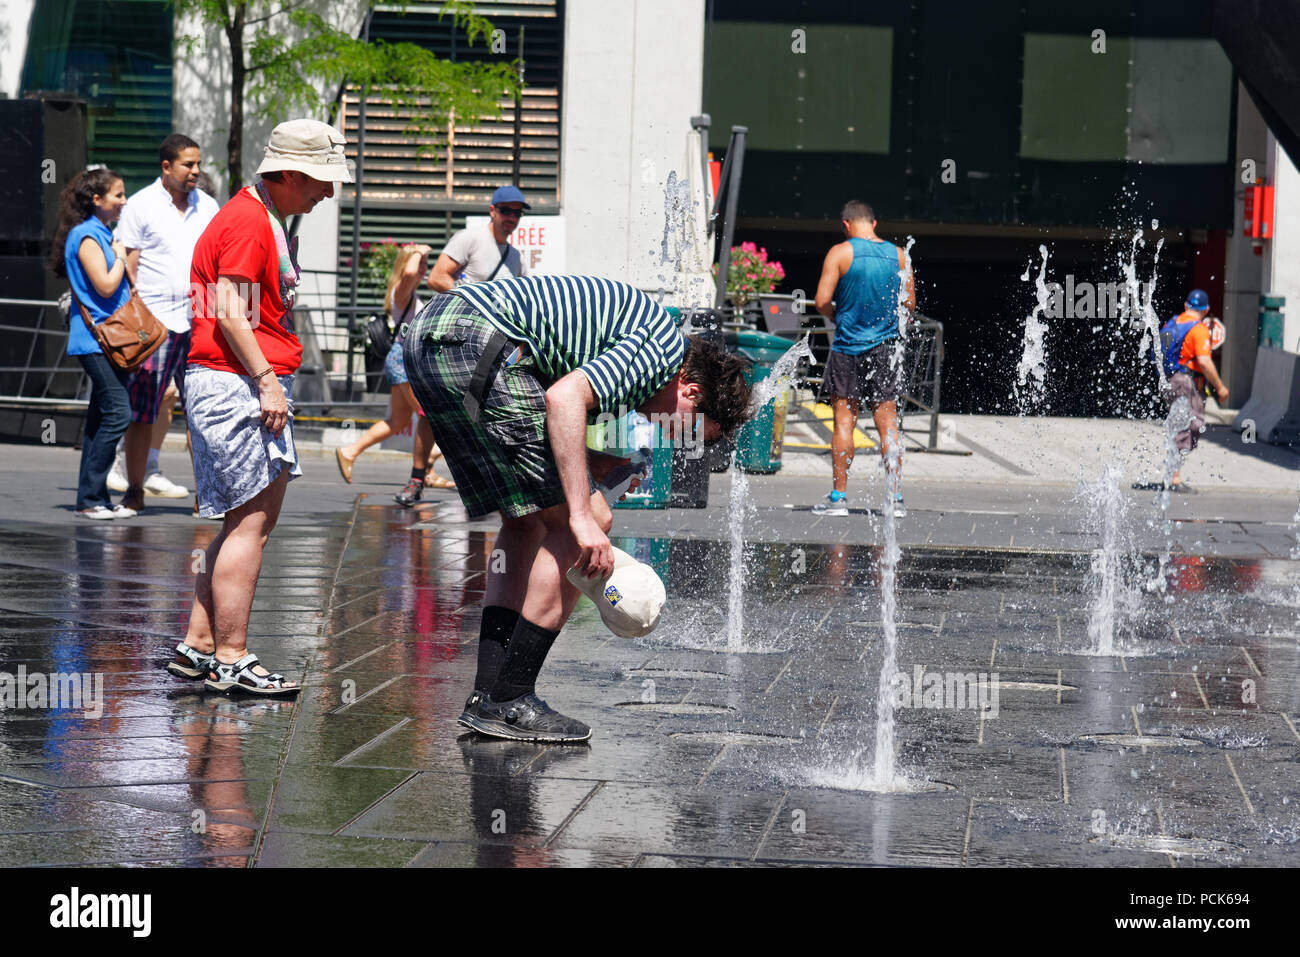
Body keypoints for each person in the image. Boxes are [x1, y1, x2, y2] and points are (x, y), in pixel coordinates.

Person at [405, 275, 753, 742]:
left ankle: (488, 696)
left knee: (525, 519)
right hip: (475, 340)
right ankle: (511, 698)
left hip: (433, 337)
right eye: (690, 428)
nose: (677, 438)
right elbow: (562, 398)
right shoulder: (664, 350)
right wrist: (583, 515)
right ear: (690, 390)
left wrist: (597, 469)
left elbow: (553, 413)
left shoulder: (644, 349)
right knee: (588, 521)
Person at [167, 119, 352, 696]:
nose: (327, 193)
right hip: (236, 382)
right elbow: (228, 308)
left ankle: (201, 646)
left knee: (238, 522)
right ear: (291, 174)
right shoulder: (249, 221)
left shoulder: (251, 214)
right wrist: (268, 381)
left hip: (225, 379)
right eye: (322, 181)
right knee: (251, 525)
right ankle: (231, 656)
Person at [106, 134, 219, 513]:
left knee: (203, 413)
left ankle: (207, 496)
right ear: (166, 167)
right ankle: (134, 492)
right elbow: (130, 265)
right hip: (155, 324)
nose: (196, 171)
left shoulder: (209, 206)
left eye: (198, 164)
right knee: (143, 411)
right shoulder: (140, 205)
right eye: (189, 165)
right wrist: (137, 315)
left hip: (200, 320)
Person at [812, 199, 915, 517]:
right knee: (888, 425)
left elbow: (821, 301)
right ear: (874, 223)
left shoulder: (840, 253)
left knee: (844, 423)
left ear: (846, 225)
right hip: (884, 350)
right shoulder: (899, 254)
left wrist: (839, 317)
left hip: (846, 349)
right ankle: (894, 500)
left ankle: (838, 498)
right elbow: (909, 304)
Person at [334, 243, 456, 501]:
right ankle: (426, 469)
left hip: (403, 360)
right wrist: (418, 251)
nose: (424, 268)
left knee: (398, 422)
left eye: (425, 263)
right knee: (429, 415)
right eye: (420, 263)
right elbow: (410, 274)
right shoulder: (402, 291)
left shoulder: (408, 294)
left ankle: (350, 451)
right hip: (404, 361)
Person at [52, 168, 136, 520]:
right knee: (119, 414)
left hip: (111, 338)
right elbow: (103, 285)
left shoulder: (101, 233)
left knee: (101, 416)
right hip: (96, 339)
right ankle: (89, 498)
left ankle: (93, 497)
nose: (124, 201)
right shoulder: (86, 236)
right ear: (97, 200)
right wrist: (119, 256)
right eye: (117, 195)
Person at [1159, 289, 1229, 492]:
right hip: (1185, 381)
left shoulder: (1171, 323)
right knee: (1191, 424)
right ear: (1206, 310)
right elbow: (1205, 363)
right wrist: (1220, 387)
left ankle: (1173, 473)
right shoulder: (1198, 330)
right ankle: (1174, 478)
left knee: (1181, 423)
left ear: (1186, 306)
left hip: (1170, 381)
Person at [426, 185, 530, 293]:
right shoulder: (470, 238)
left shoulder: (517, 258)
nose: (512, 218)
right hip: (464, 309)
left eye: (517, 213)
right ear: (492, 210)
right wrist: (475, 301)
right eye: (506, 211)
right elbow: (436, 278)